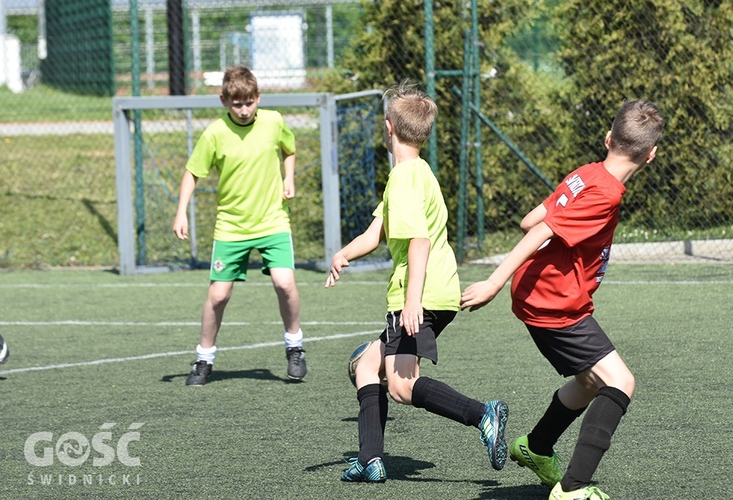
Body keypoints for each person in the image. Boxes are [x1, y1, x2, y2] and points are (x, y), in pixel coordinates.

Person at [461, 99, 664, 499]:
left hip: (541, 295)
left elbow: (530, 220)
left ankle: (535, 447)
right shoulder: (604, 193)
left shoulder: (586, 174)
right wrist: (493, 281)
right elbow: (539, 233)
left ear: (608, 139)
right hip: (554, 304)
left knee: (589, 382)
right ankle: (573, 489)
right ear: (651, 155)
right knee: (621, 381)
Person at [325, 80, 509, 483]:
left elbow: (419, 241)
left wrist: (411, 303)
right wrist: (343, 254)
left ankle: (483, 414)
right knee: (367, 364)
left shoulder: (405, 177)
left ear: (388, 127)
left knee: (403, 387)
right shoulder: (414, 173)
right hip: (432, 291)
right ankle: (371, 459)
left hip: (418, 295)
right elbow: (377, 233)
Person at [173, 66, 307, 385]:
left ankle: (295, 347)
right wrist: (181, 212)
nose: (244, 110)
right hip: (231, 226)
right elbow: (192, 173)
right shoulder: (215, 134)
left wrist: (288, 178)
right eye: (237, 104)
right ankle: (203, 360)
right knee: (218, 296)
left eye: (249, 102)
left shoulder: (274, 121)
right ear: (223, 101)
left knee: (284, 284)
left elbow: (289, 149)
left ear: (258, 98)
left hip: (272, 219)